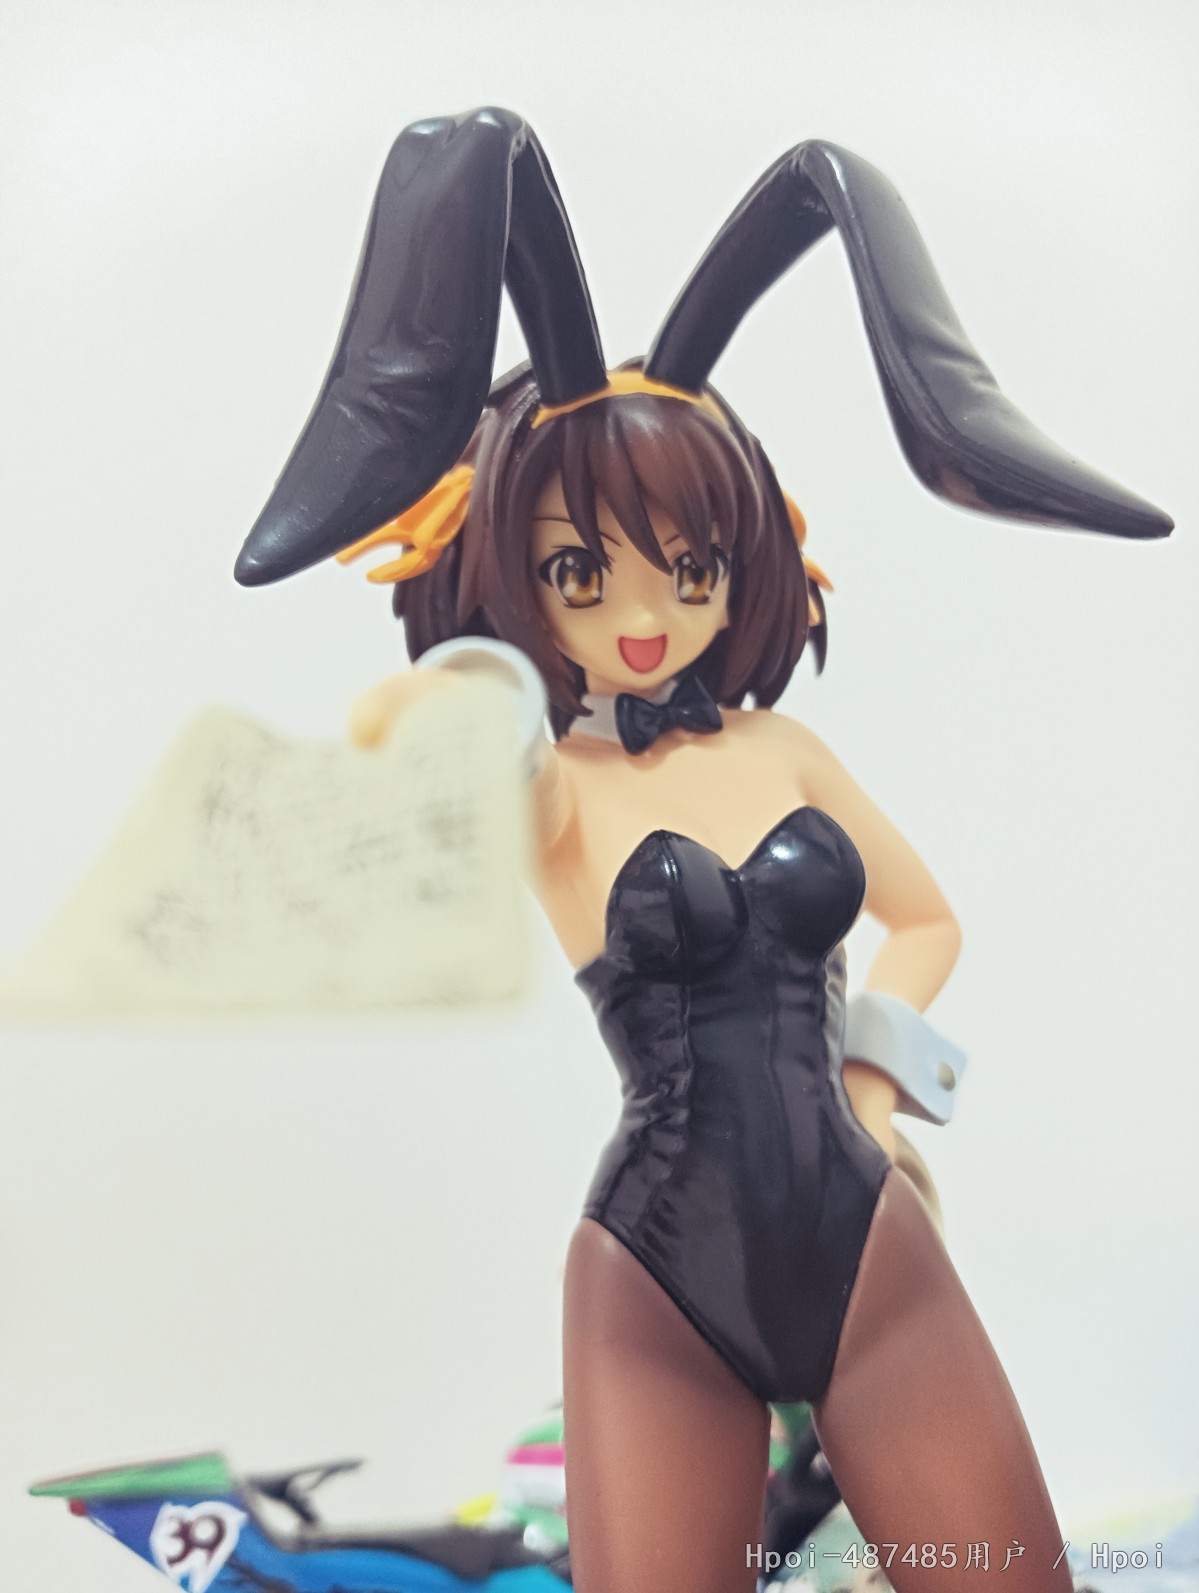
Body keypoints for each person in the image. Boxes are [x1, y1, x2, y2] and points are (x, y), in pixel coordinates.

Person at [234, 108, 1170, 1593]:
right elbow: (435, 736)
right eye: (578, 569)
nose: (642, 614)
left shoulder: (783, 751)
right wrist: (424, 703)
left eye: (689, 564)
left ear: (744, 556)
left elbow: (928, 921)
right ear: (514, 572)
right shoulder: (553, 786)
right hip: (660, 1273)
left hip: (867, 1242)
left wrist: (876, 1089)